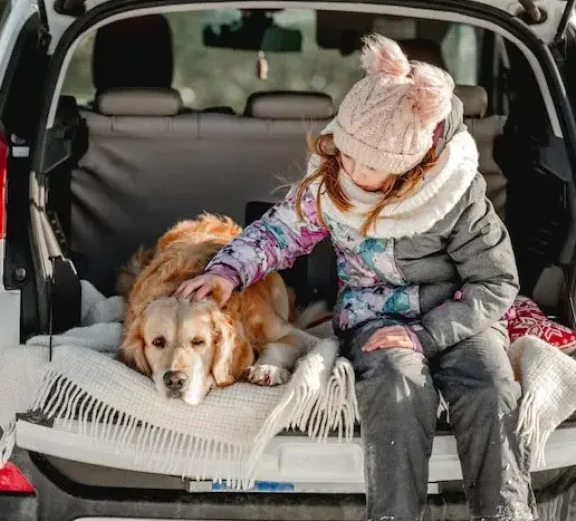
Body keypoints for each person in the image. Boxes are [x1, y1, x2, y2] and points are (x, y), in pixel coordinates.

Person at [176, 34, 535, 520]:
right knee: (396, 382)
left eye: (373, 166)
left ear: (411, 164)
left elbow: (496, 283)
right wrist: (228, 271)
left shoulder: (456, 195)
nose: (354, 172)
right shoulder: (331, 183)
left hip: (458, 317)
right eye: (347, 155)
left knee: (490, 386)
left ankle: (506, 513)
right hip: (376, 316)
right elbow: (280, 232)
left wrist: (428, 334)